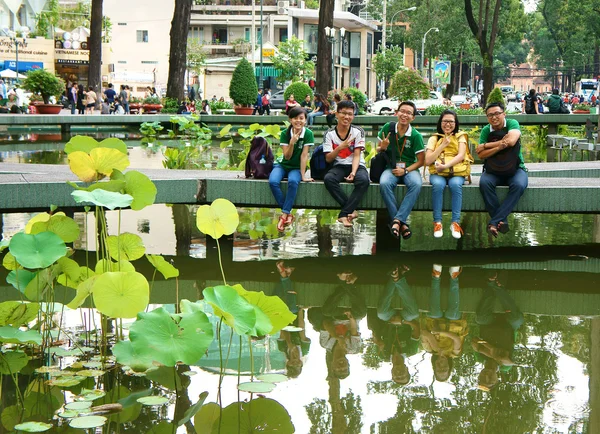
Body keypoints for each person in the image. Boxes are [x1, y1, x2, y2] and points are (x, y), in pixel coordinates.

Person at [476, 102, 528, 237]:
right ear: (487, 117)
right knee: (484, 183)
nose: (494, 117)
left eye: (497, 114)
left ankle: (494, 222)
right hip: (493, 170)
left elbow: (511, 141)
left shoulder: (512, 123)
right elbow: (480, 155)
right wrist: (499, 147)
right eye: (490, 115)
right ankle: (501, 221)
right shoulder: (486, 130)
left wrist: (486, 145)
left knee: (519, 184)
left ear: (504, 114)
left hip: (515, 168)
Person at [377, 101, 425, 240]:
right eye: (402, 111)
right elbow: (378, 150)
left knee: (416, 184)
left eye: (409, 113)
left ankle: (397, 221)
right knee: (385, 183)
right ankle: (401, 223)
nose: (404, 115)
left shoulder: (416, 136)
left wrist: (406, 171)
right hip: (390, 167)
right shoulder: (388, 127)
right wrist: (383, 147)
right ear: (397, 112)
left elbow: (421, 161)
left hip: (409, 168)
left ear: (413, 117)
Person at [368, 265, 421, 385]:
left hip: (388, 319)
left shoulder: (384, 355)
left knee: (381, 313)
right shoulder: (411, 350)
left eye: (397, 376)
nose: (399, 373)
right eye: (403, 375)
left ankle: (395, 277)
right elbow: (416, 327)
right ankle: (397, 278)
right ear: (407, 370)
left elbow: (376, 333)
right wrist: (402, 321)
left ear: (392, 373)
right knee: (413, 313)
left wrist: (376, 340)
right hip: (405, 319)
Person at [472, 272, 523, 392]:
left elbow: (474, 341)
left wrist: (489, 349)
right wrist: (489, 351)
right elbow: (508, 361)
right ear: (496, 379)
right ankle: (496, 286)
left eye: (483, 378)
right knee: (517, 319)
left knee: (480, 318)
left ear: (479, 375)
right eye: (490, 379)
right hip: (508, 327)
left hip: (488, 324)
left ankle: (493, 283)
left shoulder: (480, 359)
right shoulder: (505, 368)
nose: (487, 375)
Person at [323, 100, 369, 227]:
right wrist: (339, 147)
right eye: (343, 113)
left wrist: (353, 173)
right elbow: (328, 159)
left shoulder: (358, 132)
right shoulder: (329, 134)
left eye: (350, 114)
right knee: (329, 179)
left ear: (353, 116)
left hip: (357, 165)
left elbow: (357, 155)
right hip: (339, 165)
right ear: (337, 114)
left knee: (364, 180)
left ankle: (344, 214)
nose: (347, 117)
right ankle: (350, 210)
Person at [269, 106, 314, 231]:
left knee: (293, 182)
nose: (298, 121)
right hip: (283, 164)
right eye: (295, 118)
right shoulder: (285, 134)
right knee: (273, 182)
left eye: (301, 118)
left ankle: (284, 214)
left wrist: (303, 176)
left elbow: (304, 156)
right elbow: (287, 157)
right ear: (290, 119)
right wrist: (292, 142)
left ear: (305, 120)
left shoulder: (308, 134)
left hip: (297, 167)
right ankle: (287, 213)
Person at [425, 110, 468, 239]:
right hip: (438, 173)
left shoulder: (461, 136)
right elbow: (427, 160)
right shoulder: (434, 138)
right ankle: (437, 222)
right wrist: (442, 145)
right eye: (445, 121)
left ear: (456, 123)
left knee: (455, 185)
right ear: (440, 122)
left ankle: (455, 222)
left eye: (451, 121)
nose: (448, 124)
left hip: (456, 171)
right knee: (438, 185)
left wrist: (446, 166)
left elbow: (461, 155)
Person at [421, 264, 467, 382]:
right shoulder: (454, 353)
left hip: (434, 319)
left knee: (435, 312)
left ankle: (436, 276)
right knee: (452, 314)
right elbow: (457, 340)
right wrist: (441, 332)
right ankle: (454, 277)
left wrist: (436, 347)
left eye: (438, 369)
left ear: (434, 366)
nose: (441, 367)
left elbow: (424, 332)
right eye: (444, 369)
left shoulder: (429, 349)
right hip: (454, 321)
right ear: (449, 367)